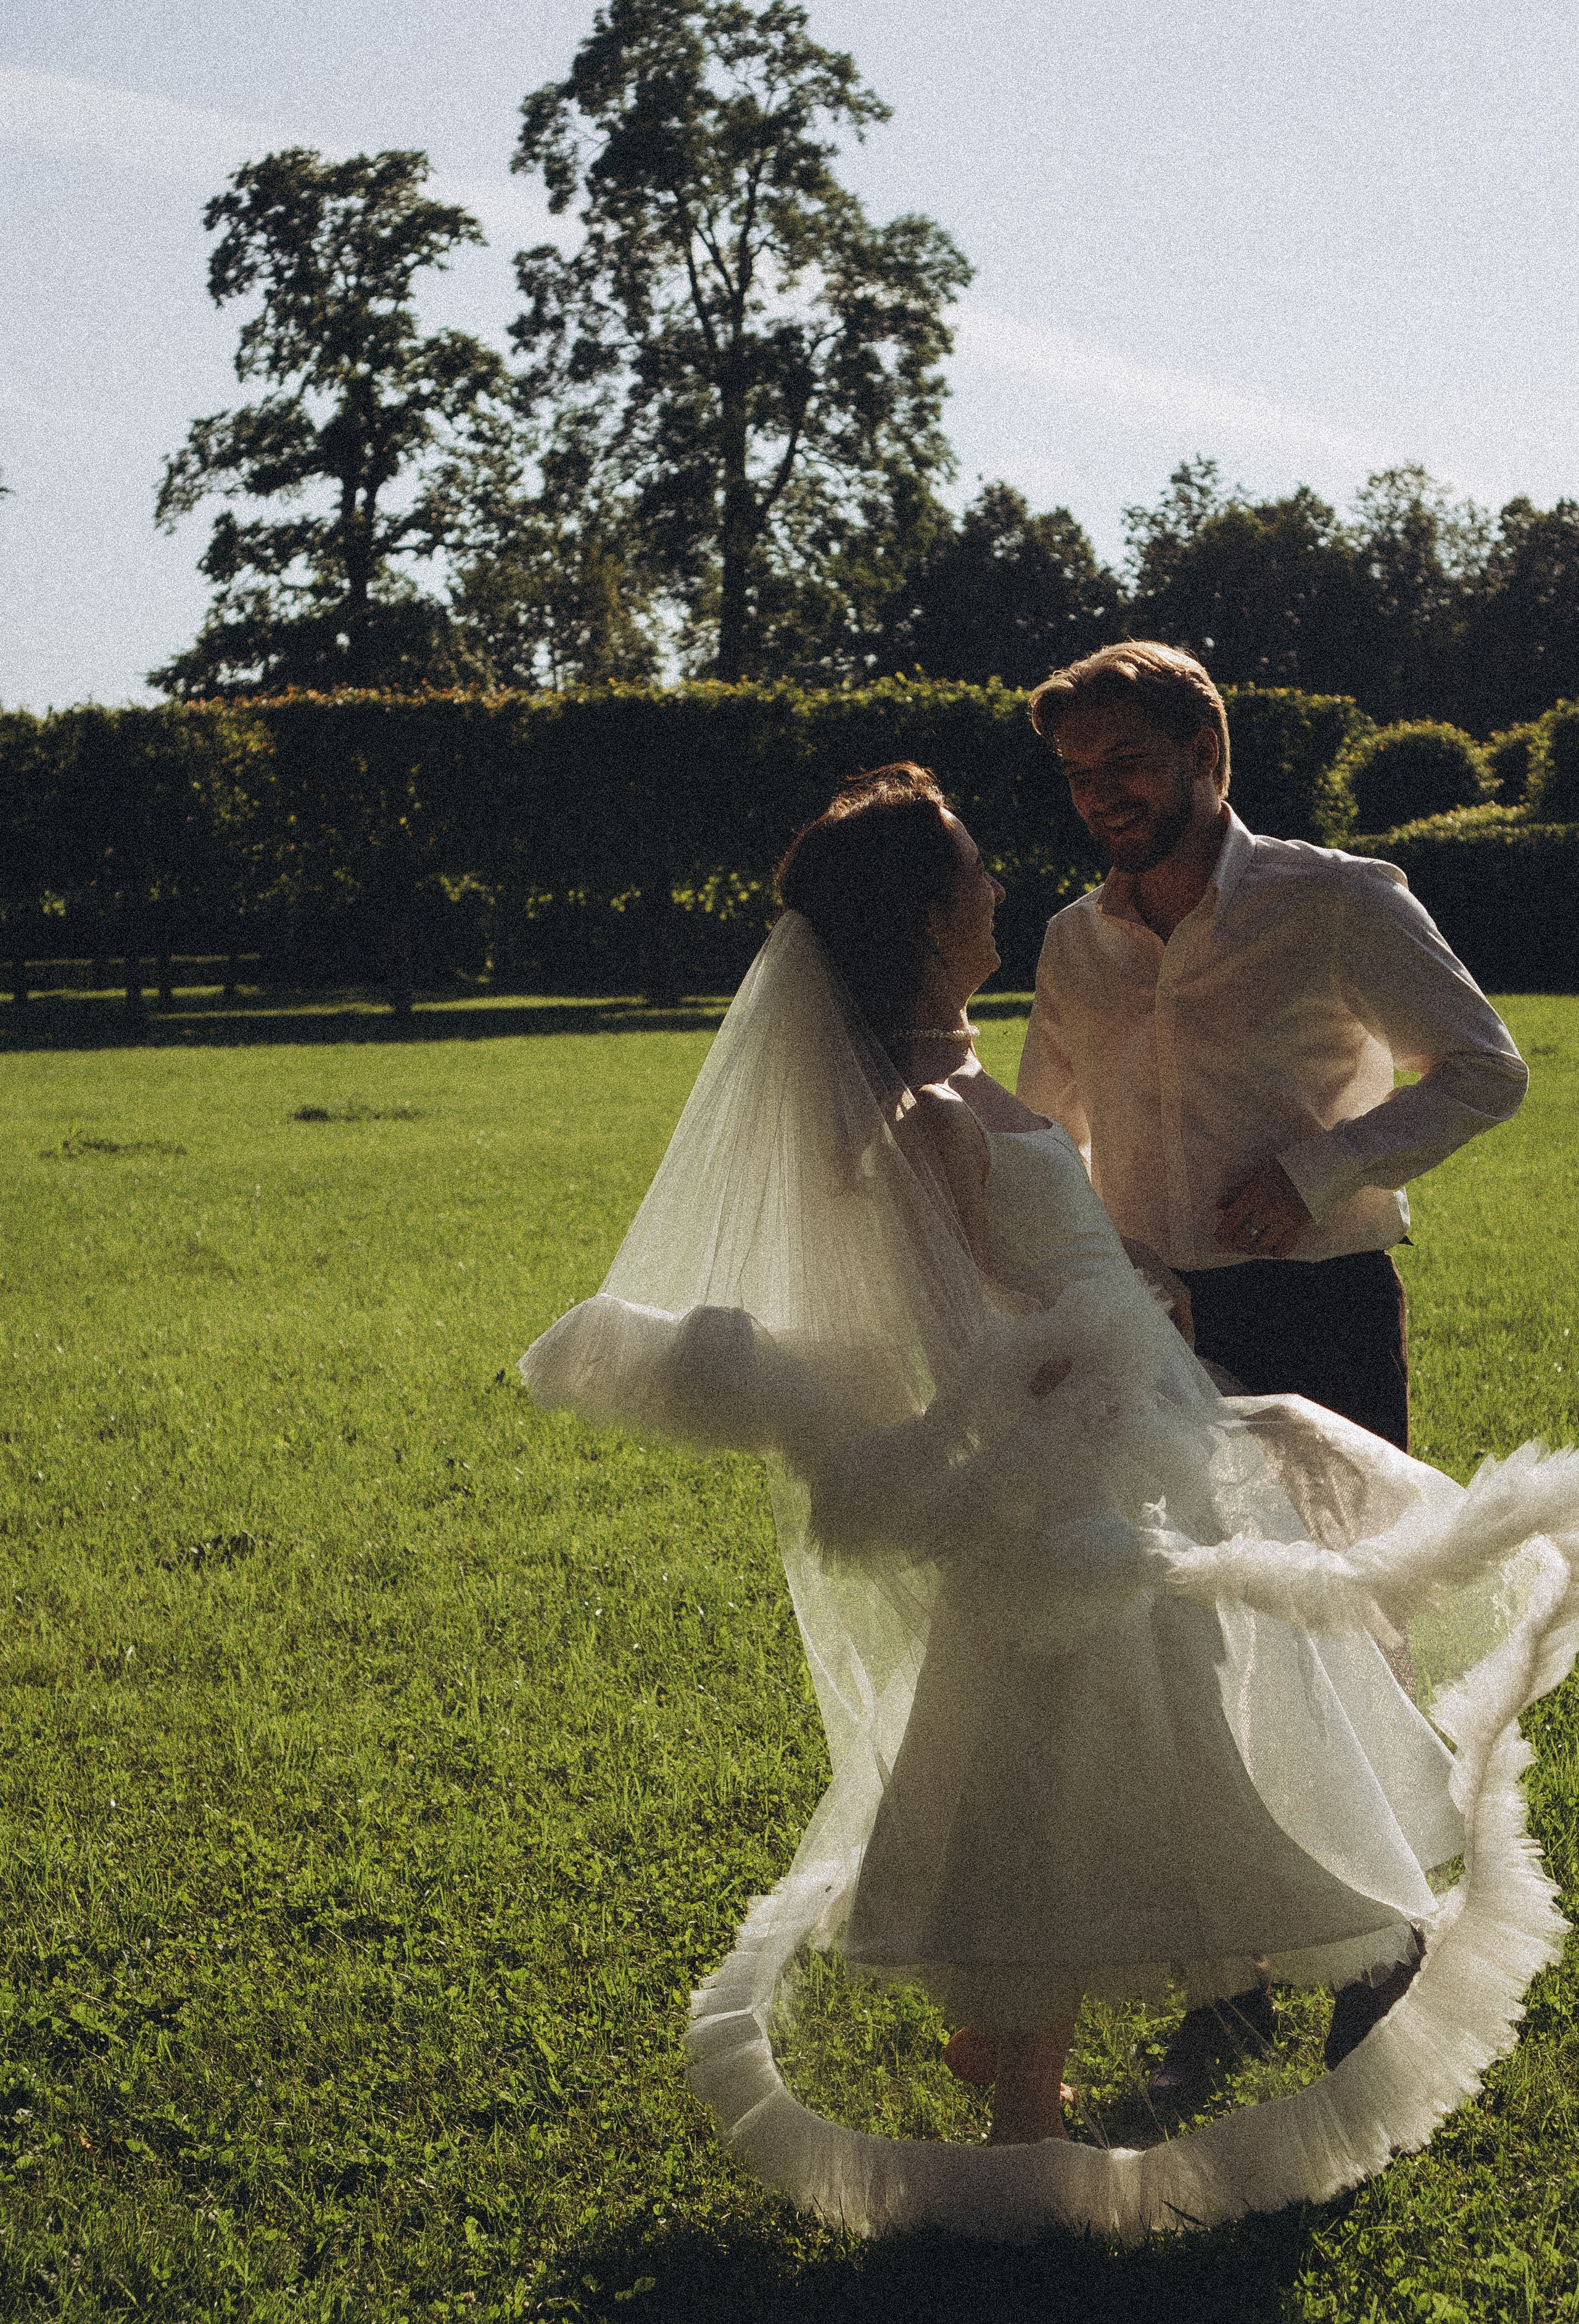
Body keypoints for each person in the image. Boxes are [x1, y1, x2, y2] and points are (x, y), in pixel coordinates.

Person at [521, 766, 1579, 2242]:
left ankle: (1025, 2059)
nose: (999, 890)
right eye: (970, 875)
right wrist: (1075, 1382)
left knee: (1111, 1745)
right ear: (922, 920)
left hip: (1144, 1423)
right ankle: (1022, 2124)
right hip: (1076, 1470)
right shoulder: (918, 1111)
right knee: (1067, 1756)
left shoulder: (951, 1079)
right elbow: (958, 1323)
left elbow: (1051, 1259)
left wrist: (1133, 1310)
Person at [1016, 641, 1528, 1456]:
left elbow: (1486, 1071)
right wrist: (1109, 1264)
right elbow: (1046, 1135)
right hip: (1149, 1319)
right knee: (1187, 1580)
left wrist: (1313, 1175)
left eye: (1124, 762)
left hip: (1322, 1314)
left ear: (1205, 752)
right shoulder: (1071, 942)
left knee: (1343, 1573)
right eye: (1079, 774)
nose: (1099, 795)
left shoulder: (1336, 899)